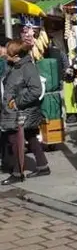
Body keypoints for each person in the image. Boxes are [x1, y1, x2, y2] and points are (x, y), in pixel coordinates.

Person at [0, 40, 47, 185]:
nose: (5, 54)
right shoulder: (13, 66)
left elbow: (36, 90)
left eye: (7, 52)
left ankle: (17, 172)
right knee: (31, 137)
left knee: (15, 141)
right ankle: (43, 166)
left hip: (21, 111)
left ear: (15, 54)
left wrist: (17, 102)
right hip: (15, 110)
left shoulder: (27, 67)